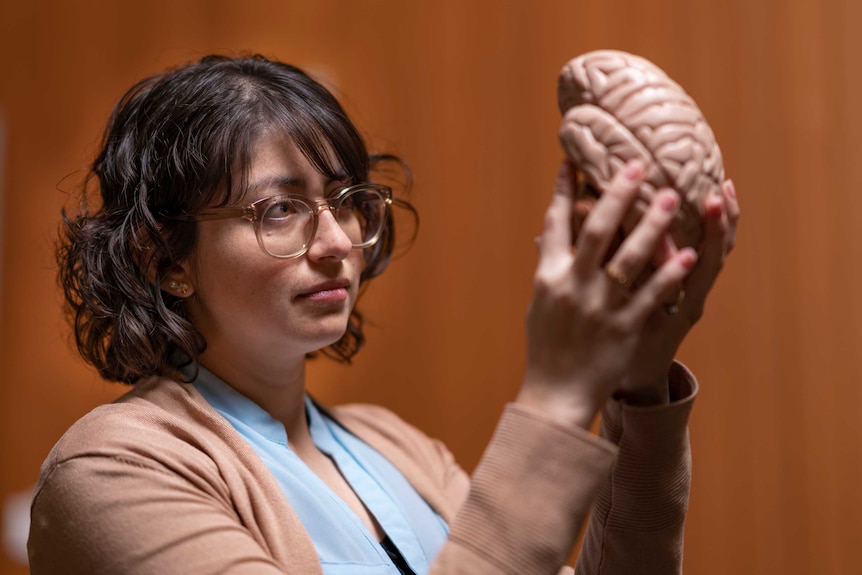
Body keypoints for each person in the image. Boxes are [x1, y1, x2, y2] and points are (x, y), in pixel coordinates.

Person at [27, 54, 738, 575]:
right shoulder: (110, 473)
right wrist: (555, 395)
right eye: (280, 209)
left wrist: (637, 386)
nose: (339, 243)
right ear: (164, 258)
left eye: (346, 201)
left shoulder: (397, 449)